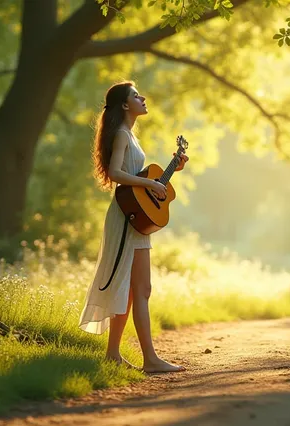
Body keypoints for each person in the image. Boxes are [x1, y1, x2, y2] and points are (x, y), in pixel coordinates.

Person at [78, 81, 188, 373]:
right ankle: (150, 359)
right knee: (139, 288)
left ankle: (113, 354)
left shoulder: (131, 136)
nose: (143, 97)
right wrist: (149, 182)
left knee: (135, 289)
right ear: (126, 105)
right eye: (136, 95)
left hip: (134, 215)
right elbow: (116, 174)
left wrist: (169, 172)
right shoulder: (121, 136)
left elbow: (141, 185)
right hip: (125, 216)